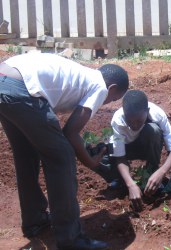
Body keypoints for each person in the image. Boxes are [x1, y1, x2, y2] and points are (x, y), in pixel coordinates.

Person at [0, 53, 129, 250]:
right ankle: (71, 239)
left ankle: (35, 221)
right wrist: (91, 162)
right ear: (111, 89)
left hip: (4, 80)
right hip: (22, 90)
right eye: (113, 99)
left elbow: (64, 130)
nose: (108, 102)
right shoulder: (100, 86)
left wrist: (84, 150)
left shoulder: (82, 75)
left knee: (26, 156)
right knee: (63, 157)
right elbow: (70, 132)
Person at [99, 90, 171, 211]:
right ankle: (121, 180)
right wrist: (130, 184)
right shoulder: (118, 120)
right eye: (129, 121)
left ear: (147, 111)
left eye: (138, 121)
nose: (134, 125)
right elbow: (120, 157)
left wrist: (161, 172)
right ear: (124, 113)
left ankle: (151, 175)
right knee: (101, 153)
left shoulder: (158, 115)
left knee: (154, 130)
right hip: (127, 148)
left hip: (145, 145)